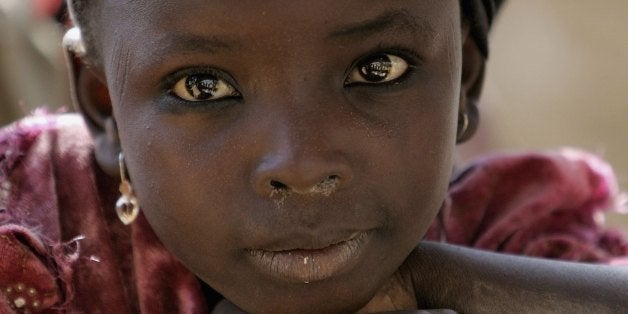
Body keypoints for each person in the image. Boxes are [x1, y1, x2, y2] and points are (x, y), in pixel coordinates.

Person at [0, 0, 627, 313]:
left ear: (465, 79)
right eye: (203, 87)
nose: (300, 166)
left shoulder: (502, 236)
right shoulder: (29, 222)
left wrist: (440, 280)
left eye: (377, 69)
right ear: (104, 106)